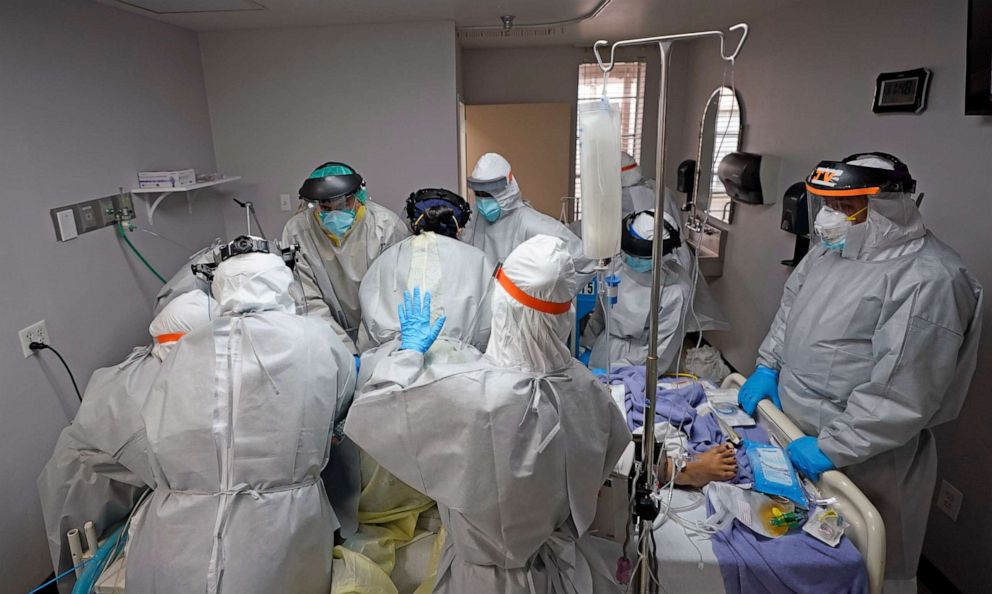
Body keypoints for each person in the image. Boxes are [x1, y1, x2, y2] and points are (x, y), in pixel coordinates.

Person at [737, 153, 983, 594]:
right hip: (793, 429)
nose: (831, 217)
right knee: (791, 557)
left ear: (889, 206)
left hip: (864, 457)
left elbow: (903, 394)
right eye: (826, 205)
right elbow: (789, 312)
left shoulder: (930, 280)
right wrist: (767, 366)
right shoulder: (830, 252)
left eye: (846, 206)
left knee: (859, 569)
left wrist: (833, 446)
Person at [346, 234, 631, 594]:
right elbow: (607, 456)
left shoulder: (470, 396)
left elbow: (373, 408)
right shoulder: (588, 389)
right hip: (562, 568)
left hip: (483, 579)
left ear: (502, 305)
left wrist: (408, 354)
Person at [125, 237, 356, 594]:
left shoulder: (188, 348)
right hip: (281, 521)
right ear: (283, 284)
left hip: (184, 526)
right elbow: (339, 406)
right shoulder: (315, 338)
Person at [332, 188, 494, 589]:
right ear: (460, 223)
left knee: (379, 511)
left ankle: (363, 577)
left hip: (389, 374)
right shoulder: (477, 260)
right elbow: (490, 334)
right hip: (458, 379)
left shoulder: (386, 260)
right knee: (456, 500)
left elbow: (368, 334)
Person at [37, 290, 216, 593]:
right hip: (80, 487)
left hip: (118, 475)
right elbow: (175, 475)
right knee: (84, 569)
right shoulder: (141, 399)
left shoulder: (160, 363)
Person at [282, 162, 409, 349]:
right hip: (324, 335)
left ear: (359, 196)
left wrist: (367, 349)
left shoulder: (386, 226)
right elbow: (307, 299)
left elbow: (390, 295)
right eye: (325, 206)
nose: (335, 212)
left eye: (343, 203)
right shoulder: (297, 231)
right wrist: (343, 349)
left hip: (382, 335)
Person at [620, 151, 728, 334]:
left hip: (654, 269)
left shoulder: (629, 198)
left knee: (655, 326)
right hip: (667, 262)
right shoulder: (657, 188)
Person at [582, 210, 700, 370]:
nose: (633, 260)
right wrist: (587, 347)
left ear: (662, 254)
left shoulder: (675, 290)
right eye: (630, 253)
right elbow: (600, 313)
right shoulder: (617, 265)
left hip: (641, 364)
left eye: (641, 257)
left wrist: (620, 372)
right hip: (603, 349)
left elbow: (661, 348)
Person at [467, 152, 594, 283]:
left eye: (488, 194)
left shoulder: (531, 224)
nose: (482, 200)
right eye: (479, 193)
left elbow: (583, 260)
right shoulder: (475, 216)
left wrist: (546, 295)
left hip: (517, 302)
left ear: (506, 189)